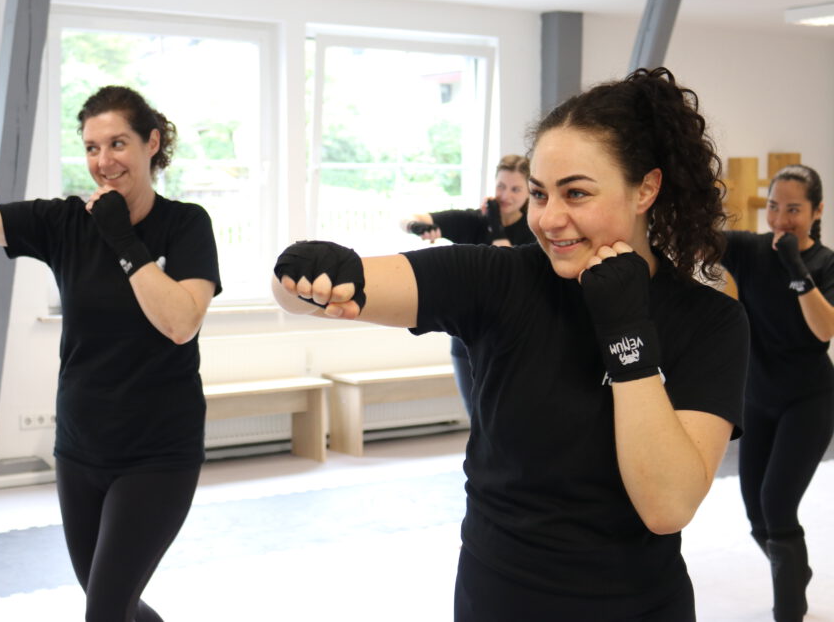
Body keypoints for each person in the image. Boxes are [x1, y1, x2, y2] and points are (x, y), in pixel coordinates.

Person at [273, 67, 749, 621]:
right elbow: (300, 294)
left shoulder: (709, 320)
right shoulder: (501, 281)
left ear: (646, 188)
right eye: (541, 194)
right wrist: (309, 272)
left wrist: (626, 332)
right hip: (498, 595)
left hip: (633, 605)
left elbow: (667, 506)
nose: (548, 219)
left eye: (577, 193)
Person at [0, 85, 221, 622]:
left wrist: (125, 244)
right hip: (81, 449)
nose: (103, 161)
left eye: (118, 143)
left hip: (158, 454)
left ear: (152, 143)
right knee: (113, 604)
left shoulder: (186, 225)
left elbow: (180, 323)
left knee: (104, 612)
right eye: (91, 147)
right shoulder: (66, 222)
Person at [721, 164, 834, 622]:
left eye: (793, 209)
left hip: (810, 400)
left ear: (817, 210)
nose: (781, 218)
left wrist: (796, 267)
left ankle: (789, 609)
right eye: (773, 206)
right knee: (756, 514)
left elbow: (824, 329)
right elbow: (696, 238)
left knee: (777, 503)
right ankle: (795, 570)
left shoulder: (827, 263)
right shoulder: (748, 251)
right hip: (758, 397)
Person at [401, 155, 537, 415]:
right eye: (501, 186)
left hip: (514, 339)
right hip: (468, 340)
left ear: (529, 191)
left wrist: (495, 224)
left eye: (515, 189)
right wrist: (417, 226)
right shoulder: (472, 221)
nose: (505, 194)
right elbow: (411, 217)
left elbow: (505, 266)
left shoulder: (535, 227)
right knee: (477, 418)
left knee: (509, 418)